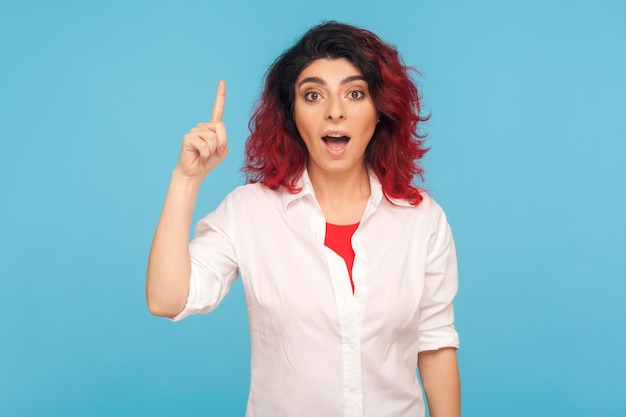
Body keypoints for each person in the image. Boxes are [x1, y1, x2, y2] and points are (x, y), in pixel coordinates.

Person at [146, 21, 460, 417]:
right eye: (313, 95)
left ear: (380, 110)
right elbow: (166, 299)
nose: (334, 112)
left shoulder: (422, 219)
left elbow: (434, 342)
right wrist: (185, 180)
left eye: (355, 93)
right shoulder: (249, 211)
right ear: (291, 113)